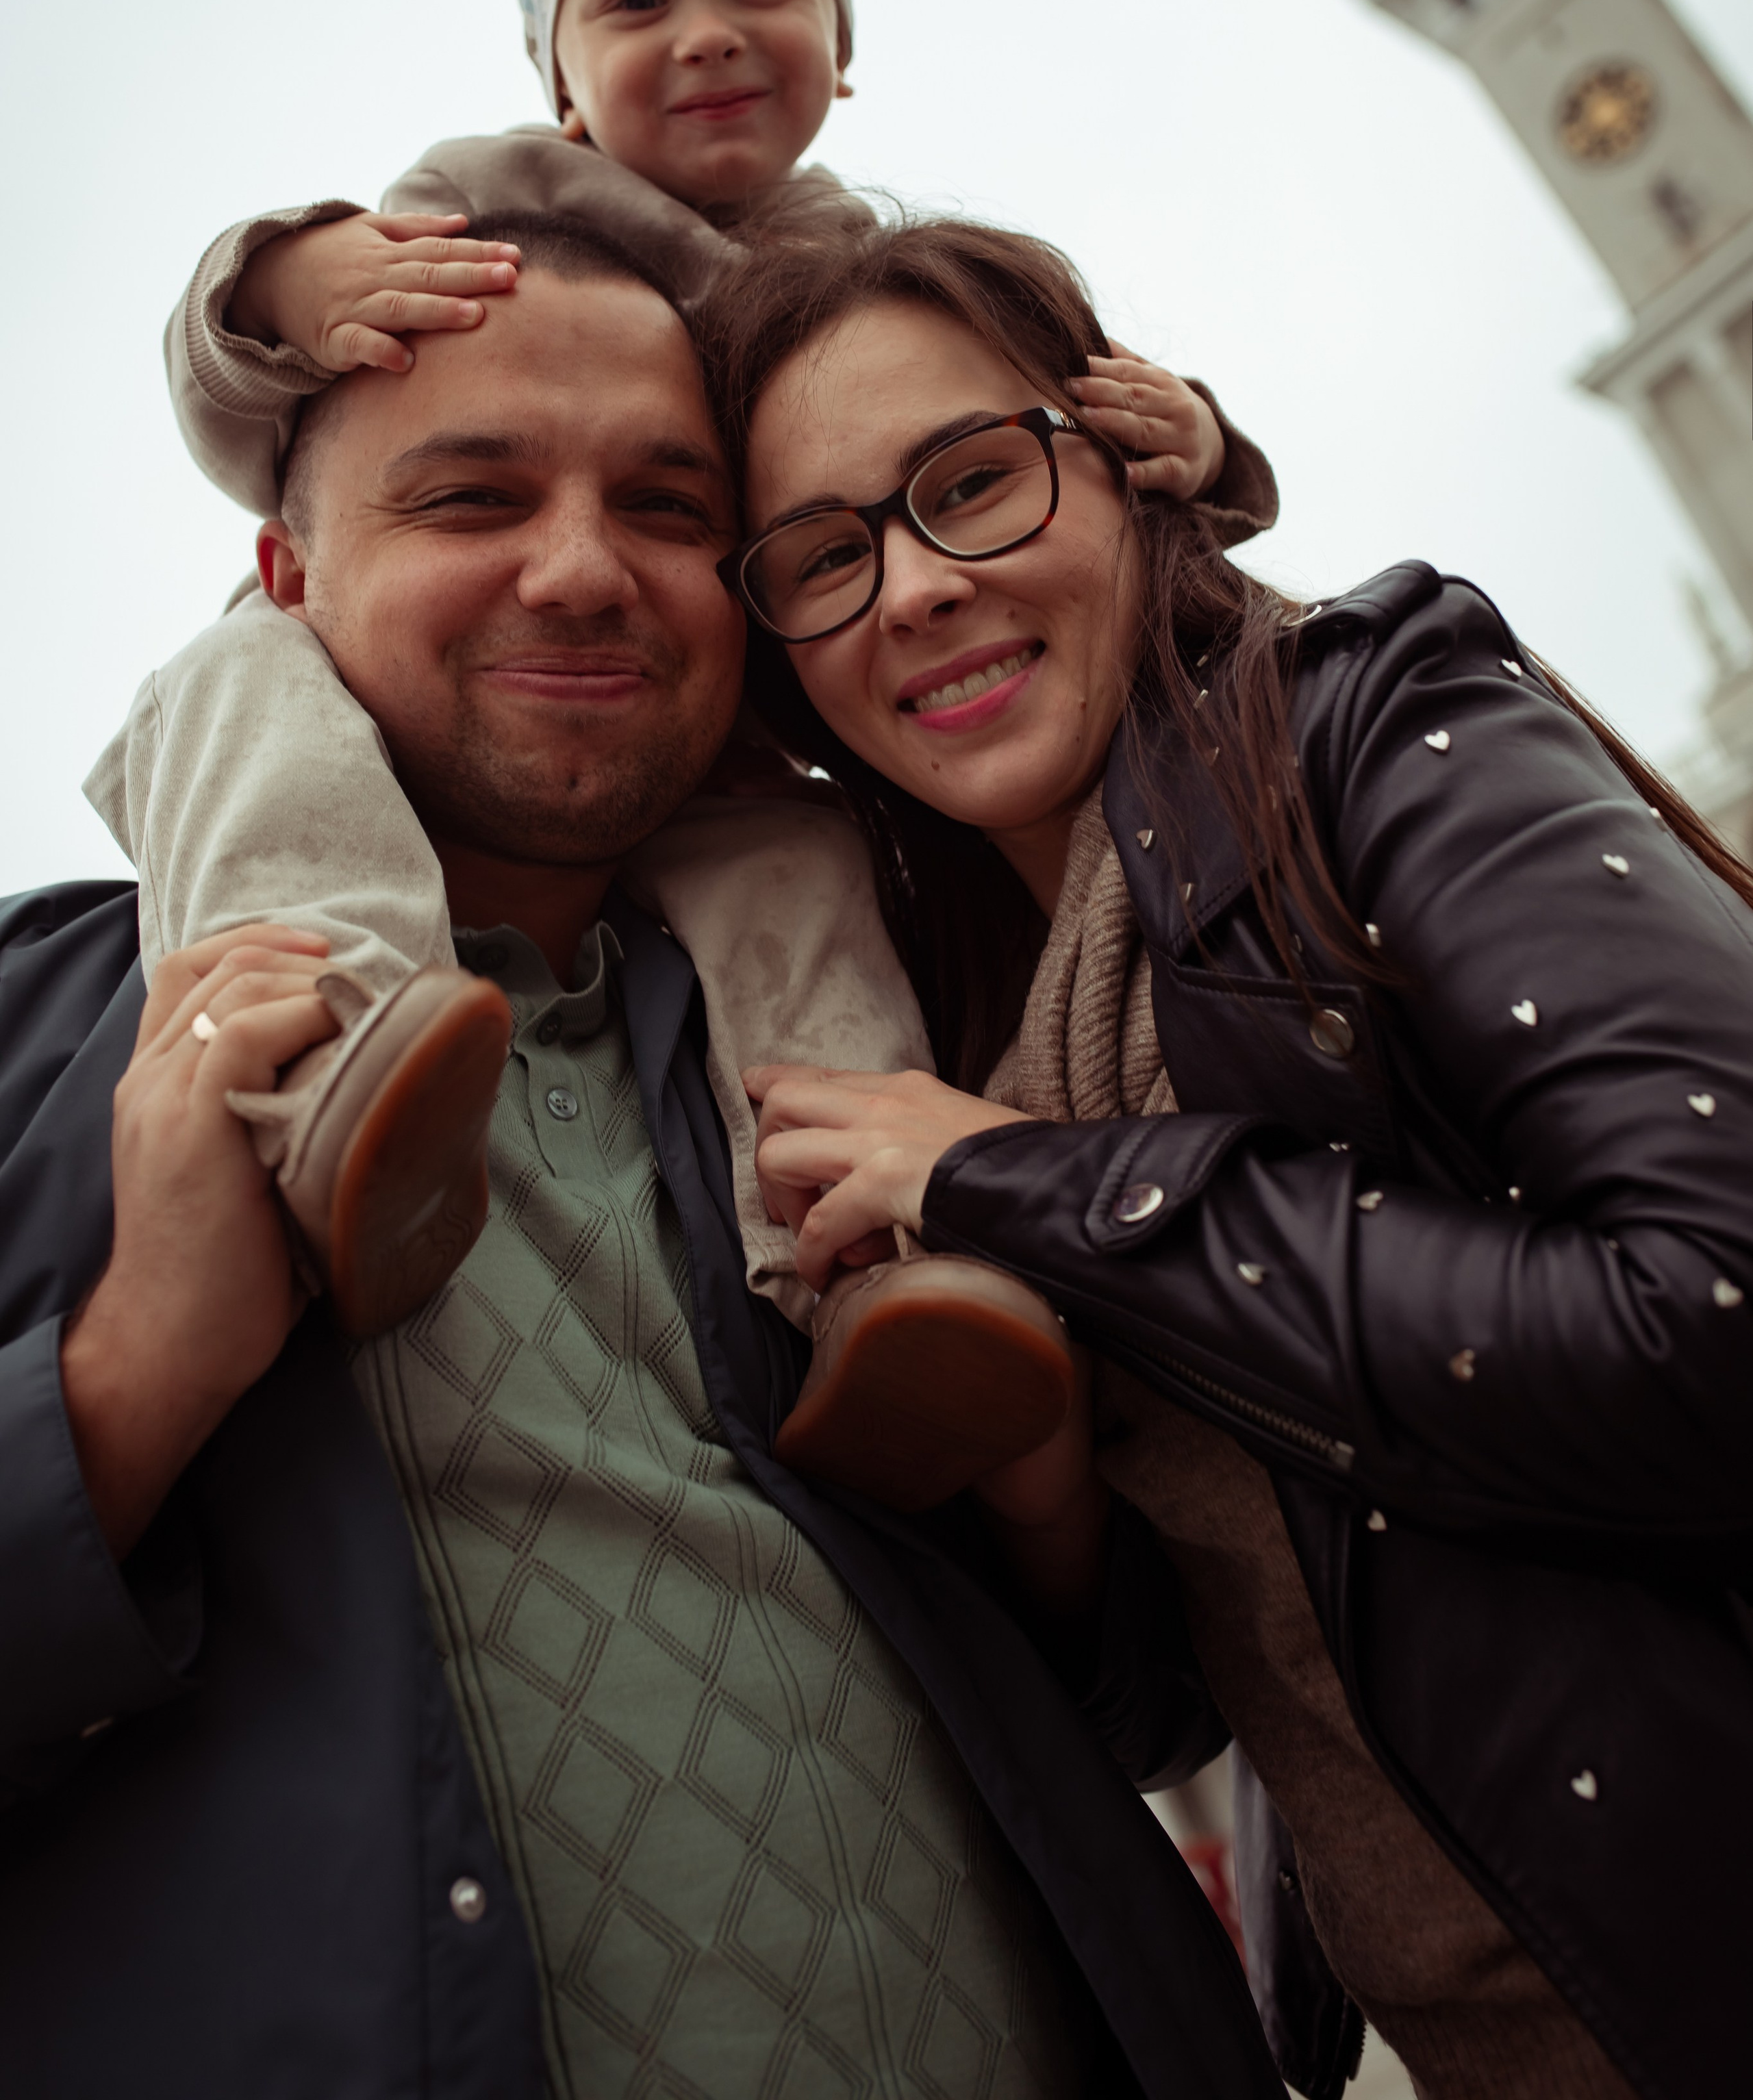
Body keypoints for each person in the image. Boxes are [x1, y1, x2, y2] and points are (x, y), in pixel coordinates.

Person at [0, 238, 1287, 2099]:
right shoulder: (41, 1044)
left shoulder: (898, 1075)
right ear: (283, 584)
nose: (584, 569)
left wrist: (1044, 1504)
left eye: (670, 511)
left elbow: (1149, 1723)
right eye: (472, 497)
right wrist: (135, 1369)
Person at [686, 211, 1753, 2100]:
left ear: (1126, 463)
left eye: (970, 481)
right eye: (825, 556)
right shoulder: (958, 1038)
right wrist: (1043, 1491)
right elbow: (1194, 1695)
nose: (912, 588)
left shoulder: (1371, 721)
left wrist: (1023, 1187)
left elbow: (1715, 1314)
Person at [94, 0, 1274, 1386]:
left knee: (800, 877)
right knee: (246, 702)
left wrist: (1199, 444)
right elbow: (277, 412)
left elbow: (1047, 465)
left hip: (697, 723)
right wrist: (280, 281)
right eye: (635, 1)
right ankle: (327, 1067)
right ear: (561, 79)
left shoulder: (863, 270)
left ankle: (870, 1269)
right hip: (383, 698)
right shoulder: (494, 199)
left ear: (842, 43)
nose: (706, 33)